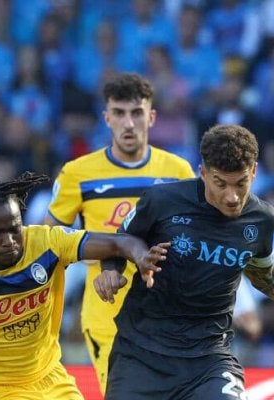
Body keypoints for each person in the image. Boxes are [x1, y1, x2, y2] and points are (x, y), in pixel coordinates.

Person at [95, 125, 274, 399]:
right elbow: (118, 242)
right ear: (203, 173)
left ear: (254, 171)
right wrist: (110, 270)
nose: (232, 196)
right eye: (220, 183)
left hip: (208, 361)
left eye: (241, 183)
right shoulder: (162, 201)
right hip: (141, 355)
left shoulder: (260, 219)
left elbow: (267, 277)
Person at [0, 170, 169, 400]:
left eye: (14, 229)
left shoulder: (46, 242)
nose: (9, 240)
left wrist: (141, 257)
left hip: (51, 377)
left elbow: (117, 243)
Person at [44, 72, 194, 393]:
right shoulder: (77, 173)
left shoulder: (178, 172)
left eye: (137, 113)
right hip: (106, 313)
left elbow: (194, 238)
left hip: (165, 314)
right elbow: (48, 239)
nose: (128, 123)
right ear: (107, 118)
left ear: (151, 117)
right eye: (119, 113)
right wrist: (90, 256)